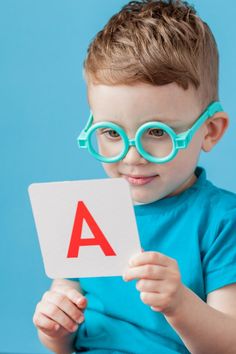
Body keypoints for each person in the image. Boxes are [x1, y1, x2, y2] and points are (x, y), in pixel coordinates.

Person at [33, 1, 236, 353]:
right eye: (111, 134)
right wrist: (54, 328)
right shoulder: (86, 211)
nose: (132, 157)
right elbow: (62, 339)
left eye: (157, 133)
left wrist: (180, 305)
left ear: (210, 131)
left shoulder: (221, 221)